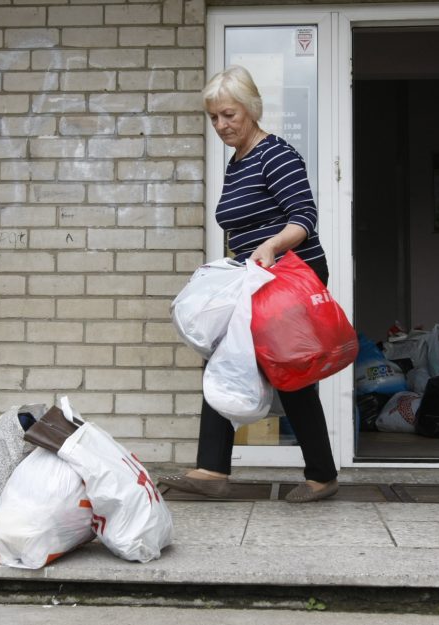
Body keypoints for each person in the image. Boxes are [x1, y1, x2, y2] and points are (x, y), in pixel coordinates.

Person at [159, 65, 339, 503]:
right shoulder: (237, 163)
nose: (221, 126)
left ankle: (319, 475)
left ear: (250, 109)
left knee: (289, 374)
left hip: (286, 279)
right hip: (254, 278)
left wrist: (270, 246)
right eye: (214, 118)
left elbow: (304, 219)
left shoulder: (275, 154)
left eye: (228, 115)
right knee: (225, 359)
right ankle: (215, 469)